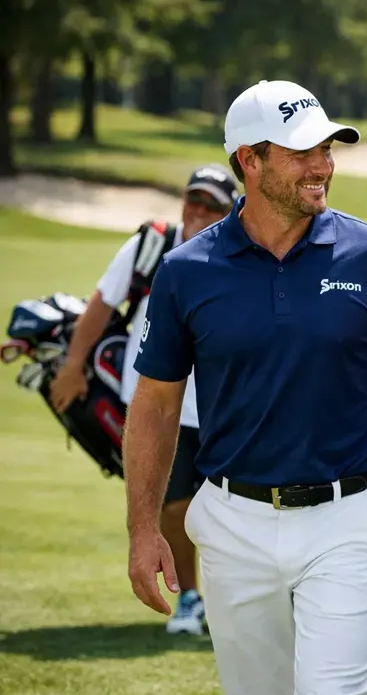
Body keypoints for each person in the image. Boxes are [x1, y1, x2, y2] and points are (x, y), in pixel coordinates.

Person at [124, 79, 367, 695]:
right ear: (249, 159)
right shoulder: (188, 271)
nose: (322, 165)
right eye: (302, 152)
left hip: (351, 517)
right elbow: (155, 402)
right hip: (233, 520)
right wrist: (143, 526)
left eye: (327, 148)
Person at [49, 164, 238, 635]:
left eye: (211, 204)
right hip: (160, 410)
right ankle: (192, 598)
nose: (199, 210)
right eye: (193, 199)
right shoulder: (152, 246)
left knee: (234, 513)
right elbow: (102, 304)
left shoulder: (242, 255)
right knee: (173, 508)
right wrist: (73, 367)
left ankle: (239, 605)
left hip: (227, 409)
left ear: (230, 208)